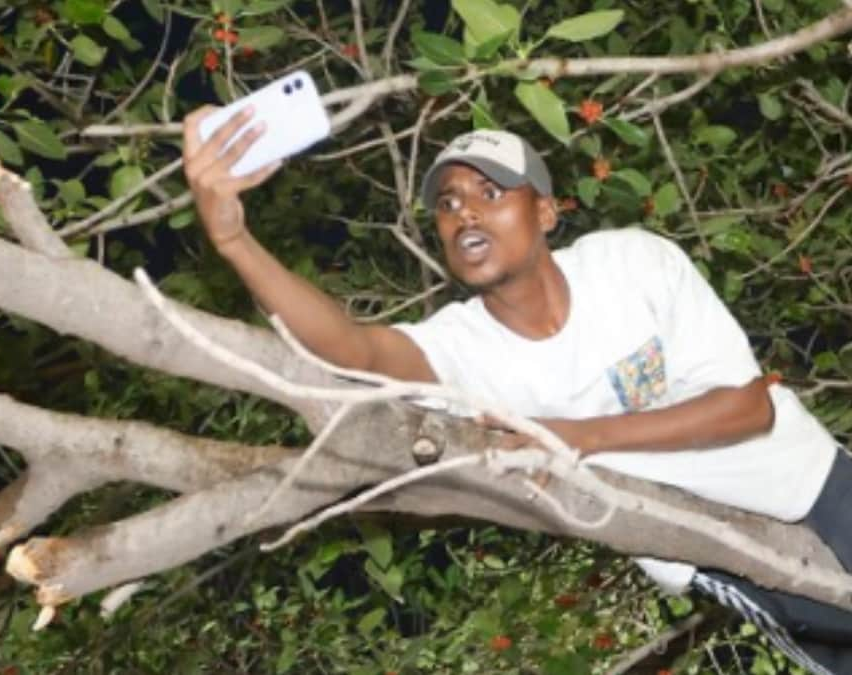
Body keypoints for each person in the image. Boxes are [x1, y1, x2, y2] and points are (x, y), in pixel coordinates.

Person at [181, 105, 852, 673]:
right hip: (718, 555)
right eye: (447, 203)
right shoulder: (461, 347)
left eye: (489, 192)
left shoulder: (632, 265)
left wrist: (576, 438)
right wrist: (234, 239)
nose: (463, 211)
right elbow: (354, 349)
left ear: (549, 210)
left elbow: (748, 406)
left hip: (813, 485)